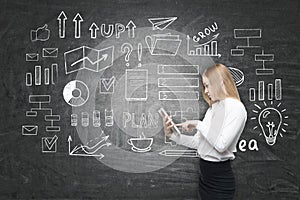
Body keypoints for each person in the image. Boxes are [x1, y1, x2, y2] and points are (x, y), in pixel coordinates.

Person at [163, 64, 247, 200]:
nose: (206, 91)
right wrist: (172, 135)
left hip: (220, 180)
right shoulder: (213, 109)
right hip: (205, 177)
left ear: (220, 82)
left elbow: (221, 145)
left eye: (208, 85)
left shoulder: (236, 108)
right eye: (204, 86)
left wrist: (198, 124)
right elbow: (199, 142)